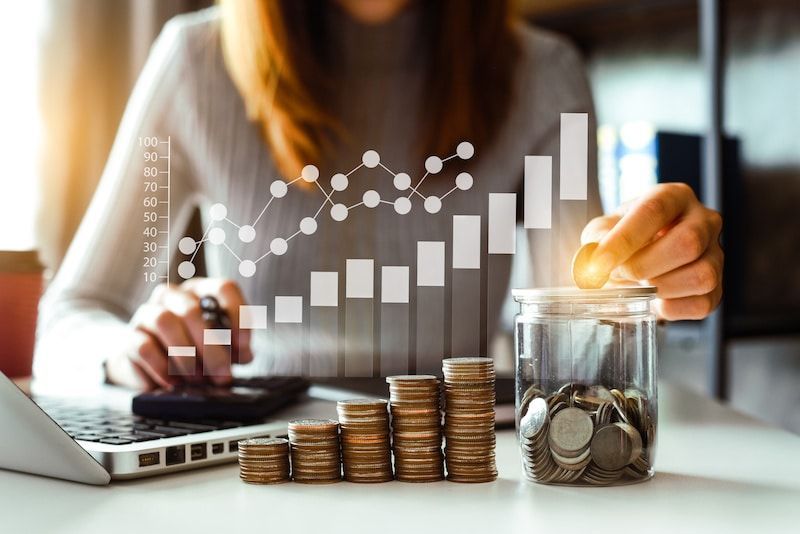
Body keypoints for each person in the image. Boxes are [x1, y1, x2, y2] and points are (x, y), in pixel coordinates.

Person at [35, 0, 723, 390]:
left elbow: (572, 356)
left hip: (464, 467)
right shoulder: (193, 64)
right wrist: (128, 348)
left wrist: (639, 289)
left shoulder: (546, 77)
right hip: (248, 473)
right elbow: (68, 316)